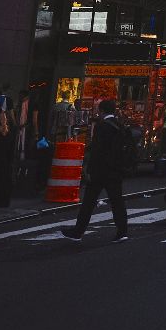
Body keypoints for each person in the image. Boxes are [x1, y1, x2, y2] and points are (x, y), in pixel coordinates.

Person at [60, 99, 129, 242]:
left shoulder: (102, 126)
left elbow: (97, 150)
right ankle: (122, 231)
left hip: (100, 170)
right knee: (117, 202)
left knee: (89, 202)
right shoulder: (120, 126)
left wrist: (89, 169)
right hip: (115, 170)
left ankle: (78, 231)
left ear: (102, 111)